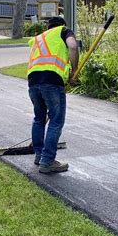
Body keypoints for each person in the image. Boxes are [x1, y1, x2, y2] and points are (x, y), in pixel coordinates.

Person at [27, 16, 79, 173]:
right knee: (56, 121)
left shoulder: (38, 38)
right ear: (63, 25)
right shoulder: (63, 31)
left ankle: (39, 156)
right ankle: (47, 161)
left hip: (33, 81)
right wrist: (74, 71)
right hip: (52, 81)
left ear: (48, 27)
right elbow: (73, 46)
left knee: (39, 119)